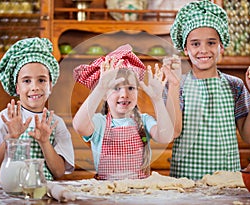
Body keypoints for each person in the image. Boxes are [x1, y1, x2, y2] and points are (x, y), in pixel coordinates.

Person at [164, 0, 250, 180]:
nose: (203, 50)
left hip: (226, 179)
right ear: (185, 49)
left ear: (221, 46)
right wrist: (173, 87)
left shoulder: (235, 85)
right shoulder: (176, 85)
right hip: (187, 181)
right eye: (195, 44)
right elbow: (173, 132)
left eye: (211, 43)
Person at [72, 44, 178, 180]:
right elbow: (79, 126)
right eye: (116, 88)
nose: (124, 94)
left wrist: (157, 100)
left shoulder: (144, 121)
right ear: (104, 94)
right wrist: (100, 88)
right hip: (107, 193)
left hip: (139, 194)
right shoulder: (100, 123)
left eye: (131, 88)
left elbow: (165, 137)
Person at [0, 37, 75, 180]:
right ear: (17, 87)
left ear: (50, 85)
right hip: (10, 195)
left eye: (42, 80)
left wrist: (44, 142)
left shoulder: (56, 123)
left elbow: (58, 172)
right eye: (27, 81)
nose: (35, 87)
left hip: (43, 193)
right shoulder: (6, 119)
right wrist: (11, 137)